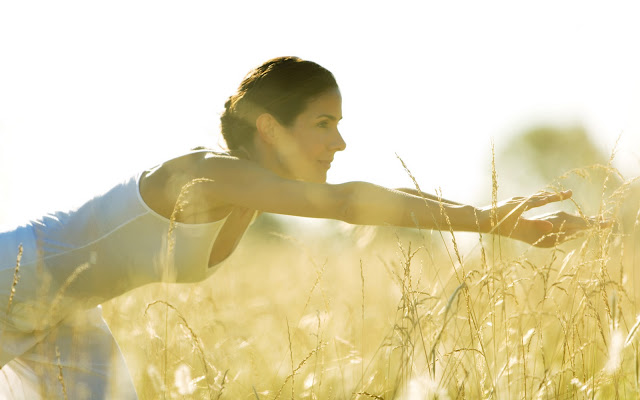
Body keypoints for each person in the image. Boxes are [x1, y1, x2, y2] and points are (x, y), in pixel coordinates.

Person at [0, 56, 601, 399]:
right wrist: (490, 222)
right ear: (269, 127)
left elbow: (367, 195)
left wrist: (492, 222)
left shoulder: (256, 191)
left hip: (64, 315)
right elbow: (347, 203)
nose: (339, 140)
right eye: (324, 122)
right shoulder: (210, 175)